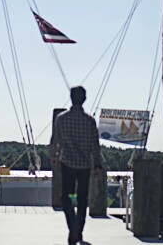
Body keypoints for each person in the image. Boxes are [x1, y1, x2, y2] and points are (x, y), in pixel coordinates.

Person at [50, 86, 104, 245]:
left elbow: (55, 140)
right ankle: (78, 231)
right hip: (84, 165)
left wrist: (53, 156)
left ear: (71, 97)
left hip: (67, 162)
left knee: (66, 197)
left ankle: (73, 227)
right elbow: (95, 146)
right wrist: (97, 166)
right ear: (84, 99)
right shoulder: (90, 121)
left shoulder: (62, 118)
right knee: (82, 199)